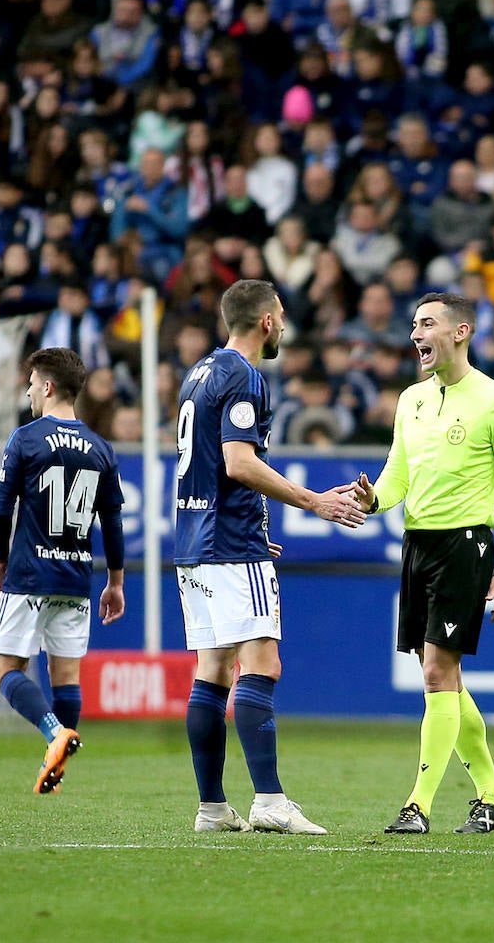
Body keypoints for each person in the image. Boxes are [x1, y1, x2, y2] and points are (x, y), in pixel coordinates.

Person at [174, 279, 366, 835]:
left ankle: (212, 808)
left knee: (211, 671)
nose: (283, 324)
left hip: (197, 540)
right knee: (262, 665)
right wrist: (312, 501)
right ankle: (269, 802)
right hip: (229, 545)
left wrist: (252, 525)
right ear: (264, 322)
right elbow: (236, 461)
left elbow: (208, 464)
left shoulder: (200, 373)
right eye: (280, 315)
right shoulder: (244, 376)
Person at [350, 292, 494, 835]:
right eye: (412, 326)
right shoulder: (411, 400)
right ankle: (493, 798)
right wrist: (373, 499)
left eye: (427, 324)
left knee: (436, 672)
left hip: (465, 544)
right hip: (417, 544)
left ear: (461, 332)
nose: (415, 335)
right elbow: (397, 474)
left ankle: (418, 805)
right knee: (444, 675)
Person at [0, 348, 126, 794]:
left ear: (48, 387)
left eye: (31, 382)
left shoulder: (26, 439)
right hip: (77, 577)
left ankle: (54, 734)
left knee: (5, 669)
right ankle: (57, 764)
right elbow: (114, 523)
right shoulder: (101, 448)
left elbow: (0, 510)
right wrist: (116, 580)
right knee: (66, 677)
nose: (27, 390)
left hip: (30, 573)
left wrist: (0, 559)